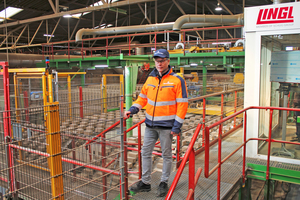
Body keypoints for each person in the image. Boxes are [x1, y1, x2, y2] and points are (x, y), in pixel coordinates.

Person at [124, 49, 188, 197]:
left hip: (167, 127)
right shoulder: (150, 79)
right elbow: (142, 98)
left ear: (168, 61)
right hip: (150, 125)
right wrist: (132, 109)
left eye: (162, 60)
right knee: (145, 152)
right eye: (157, 61)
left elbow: (183, 104)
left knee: (166, 155)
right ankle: (146, 182)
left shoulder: (177, 80)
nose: (159, 63)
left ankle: (164, 182)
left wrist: (177, 125)